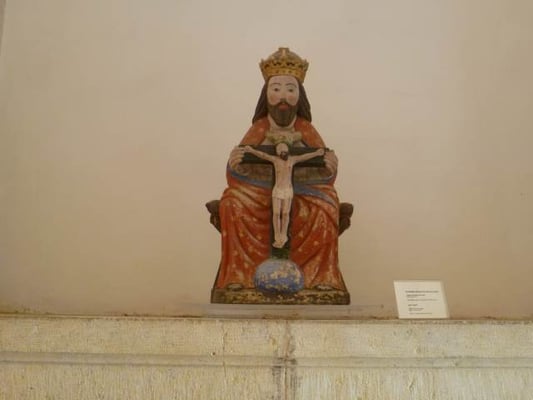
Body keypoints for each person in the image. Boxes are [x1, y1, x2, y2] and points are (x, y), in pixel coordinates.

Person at [212, 47, 348, 294]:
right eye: (276, 89)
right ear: (266, 95)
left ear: (299, 96)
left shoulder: (306, 129)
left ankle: (320, 278)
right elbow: (237, 173)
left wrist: (330, 166)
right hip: (258, 191)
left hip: (304, 190)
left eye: (290, 89)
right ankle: (239, 278)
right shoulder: (259, 128)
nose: (283, 96)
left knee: (326, 206)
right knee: (232, 203)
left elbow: (323, 168)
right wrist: (233, 163)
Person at [243, 143, 325, 249]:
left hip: (288, 190)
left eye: (284, 148)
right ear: (277, 152)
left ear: (287, 150)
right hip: (278, 190)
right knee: (276, 213)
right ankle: (277, 237)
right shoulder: (275, 160)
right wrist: (251, 150)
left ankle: (283, 236)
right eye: (279, 149)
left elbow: (304, 157)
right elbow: (263, 155)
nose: (282, 150)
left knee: (286, 213)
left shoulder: (292, 160)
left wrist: (316, 153)